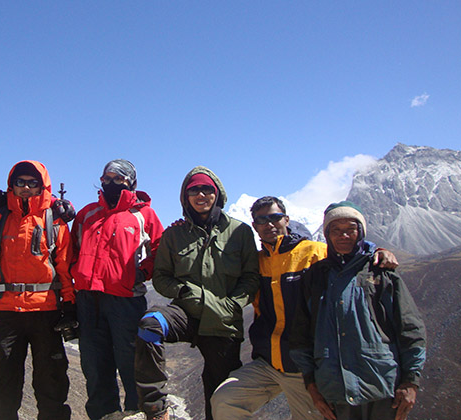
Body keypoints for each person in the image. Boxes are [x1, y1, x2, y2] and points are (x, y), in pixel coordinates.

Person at [210, 196, 398, 420]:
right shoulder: (255, 262)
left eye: (275, 217)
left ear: (286, 220)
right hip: (268, 364)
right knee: (224, 401)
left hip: (305, 368)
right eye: (262, 220)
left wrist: (377, 250)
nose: (269, 224)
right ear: (255, 226)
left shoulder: (315, 253)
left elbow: (351, 256)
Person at [135, 167, 260, 420]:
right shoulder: (174, 234)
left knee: (219, 393)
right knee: (150, 326)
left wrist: (233, 306)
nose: (200, 194)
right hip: (185, 311)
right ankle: (156, 408)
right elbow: (161, 277)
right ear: (185, 196)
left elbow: (251, 277)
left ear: (217, 194)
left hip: (223, 319)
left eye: (207, 189)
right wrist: (182, 291)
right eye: (194, 190)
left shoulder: (240, 232)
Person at [290, 201, 426, 420]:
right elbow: (301, 336)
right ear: (327, 234)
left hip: (382, 388)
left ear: (360, 231)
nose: (343, 235)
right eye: (336, 230)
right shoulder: (315, 277)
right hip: (335, 391)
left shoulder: (382, 272)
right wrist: (312, 386)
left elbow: (410, 328)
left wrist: (411, 380)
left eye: (350, 229)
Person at [0, 160, 75, 420]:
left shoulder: (55, 220)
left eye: (32, 183)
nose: (25, 188)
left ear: (42, 186)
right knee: (3, 381)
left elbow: (64, 267)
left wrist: (69, 304)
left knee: (51, 380)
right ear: (11, 185)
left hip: (47, 312)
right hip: (7, 313)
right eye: (19, 183)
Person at [71, 159, 163, 420]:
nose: (111, 183)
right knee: (95, 365)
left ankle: (137, 414)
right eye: (106, 178)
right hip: (89, 300)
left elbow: (159, 252)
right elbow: (71, 251)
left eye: (118, 178)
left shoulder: (144, 215)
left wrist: (139, 274)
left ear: (131, 182)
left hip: (125, 300)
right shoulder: (87, 214)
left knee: (132, 362)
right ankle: (103, 415)